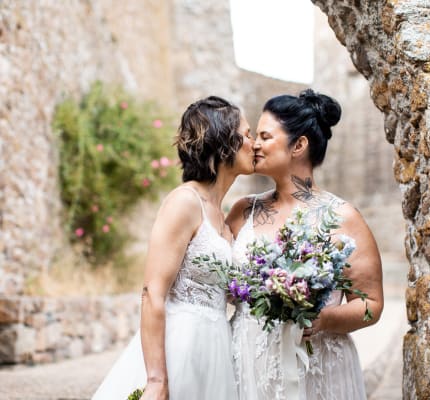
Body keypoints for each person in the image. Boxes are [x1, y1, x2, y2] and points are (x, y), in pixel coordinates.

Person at [92, 96, 255, 400]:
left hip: (215, 350)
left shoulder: (223, 215)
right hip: (179, 347)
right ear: (224, 143)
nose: (253, 143)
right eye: (247, 134)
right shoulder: (184, 202)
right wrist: (156, 380)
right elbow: (152, 293)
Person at [227, 89, 384, 400]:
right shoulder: (242, 210)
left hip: (318, 367)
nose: (254, 145)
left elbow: (371, 306)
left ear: (298, 145)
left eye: (265, 136)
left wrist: (325, 319)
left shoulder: (343, 218)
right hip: (248, 363)